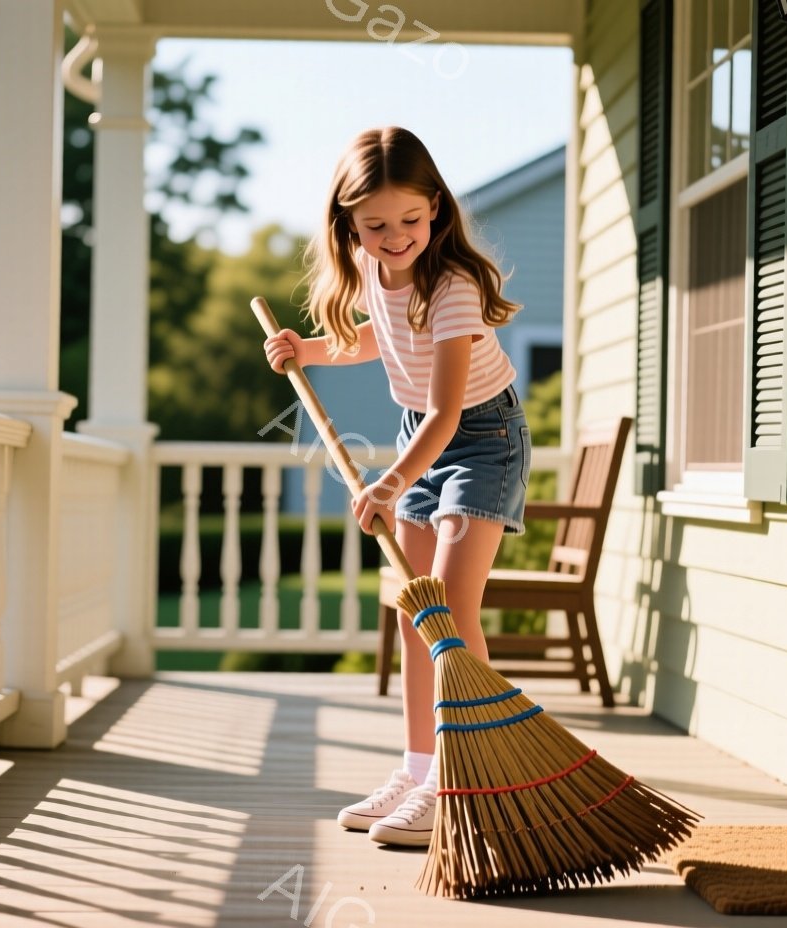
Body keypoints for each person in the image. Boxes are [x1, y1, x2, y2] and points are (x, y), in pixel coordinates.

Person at [262, 126, 529, 847]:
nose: (394, 237)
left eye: (410, 220)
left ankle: (461, 781)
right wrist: (306, 351)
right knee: (418, 614)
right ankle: (417, 770)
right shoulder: (371, 266)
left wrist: (390, 481)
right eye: (375, 225)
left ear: (436, 209)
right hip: (425, 441)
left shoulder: (454, 287)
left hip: (481, 441)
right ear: (348, 224)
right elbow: (374, 336)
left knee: (447, 607)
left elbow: (447, 411)